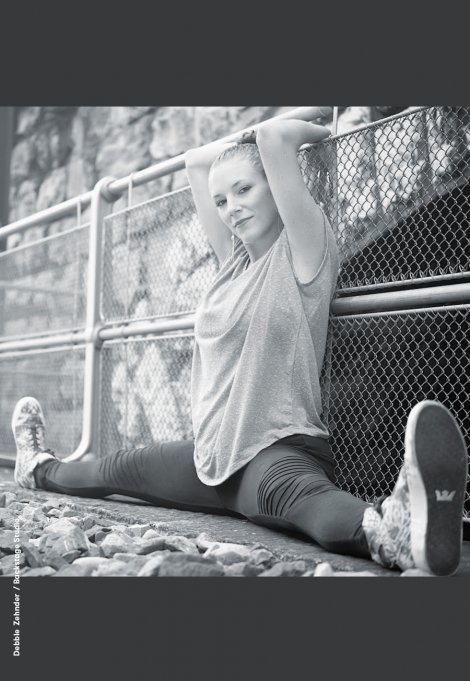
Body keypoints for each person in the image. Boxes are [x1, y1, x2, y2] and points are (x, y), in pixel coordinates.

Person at [11, 111, 468, 576]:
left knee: (303, 500)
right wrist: (236, 157)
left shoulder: (304, 249)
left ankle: (395, 534)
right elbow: (196, 162)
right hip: (209, 459)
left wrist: (317, 126)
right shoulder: (232, 264)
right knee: (115, 469)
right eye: (222, 201)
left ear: (275, 183)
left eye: (245, 190)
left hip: (274, 449)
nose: (232, 208)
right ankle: (37, 466)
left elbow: (273, 136)